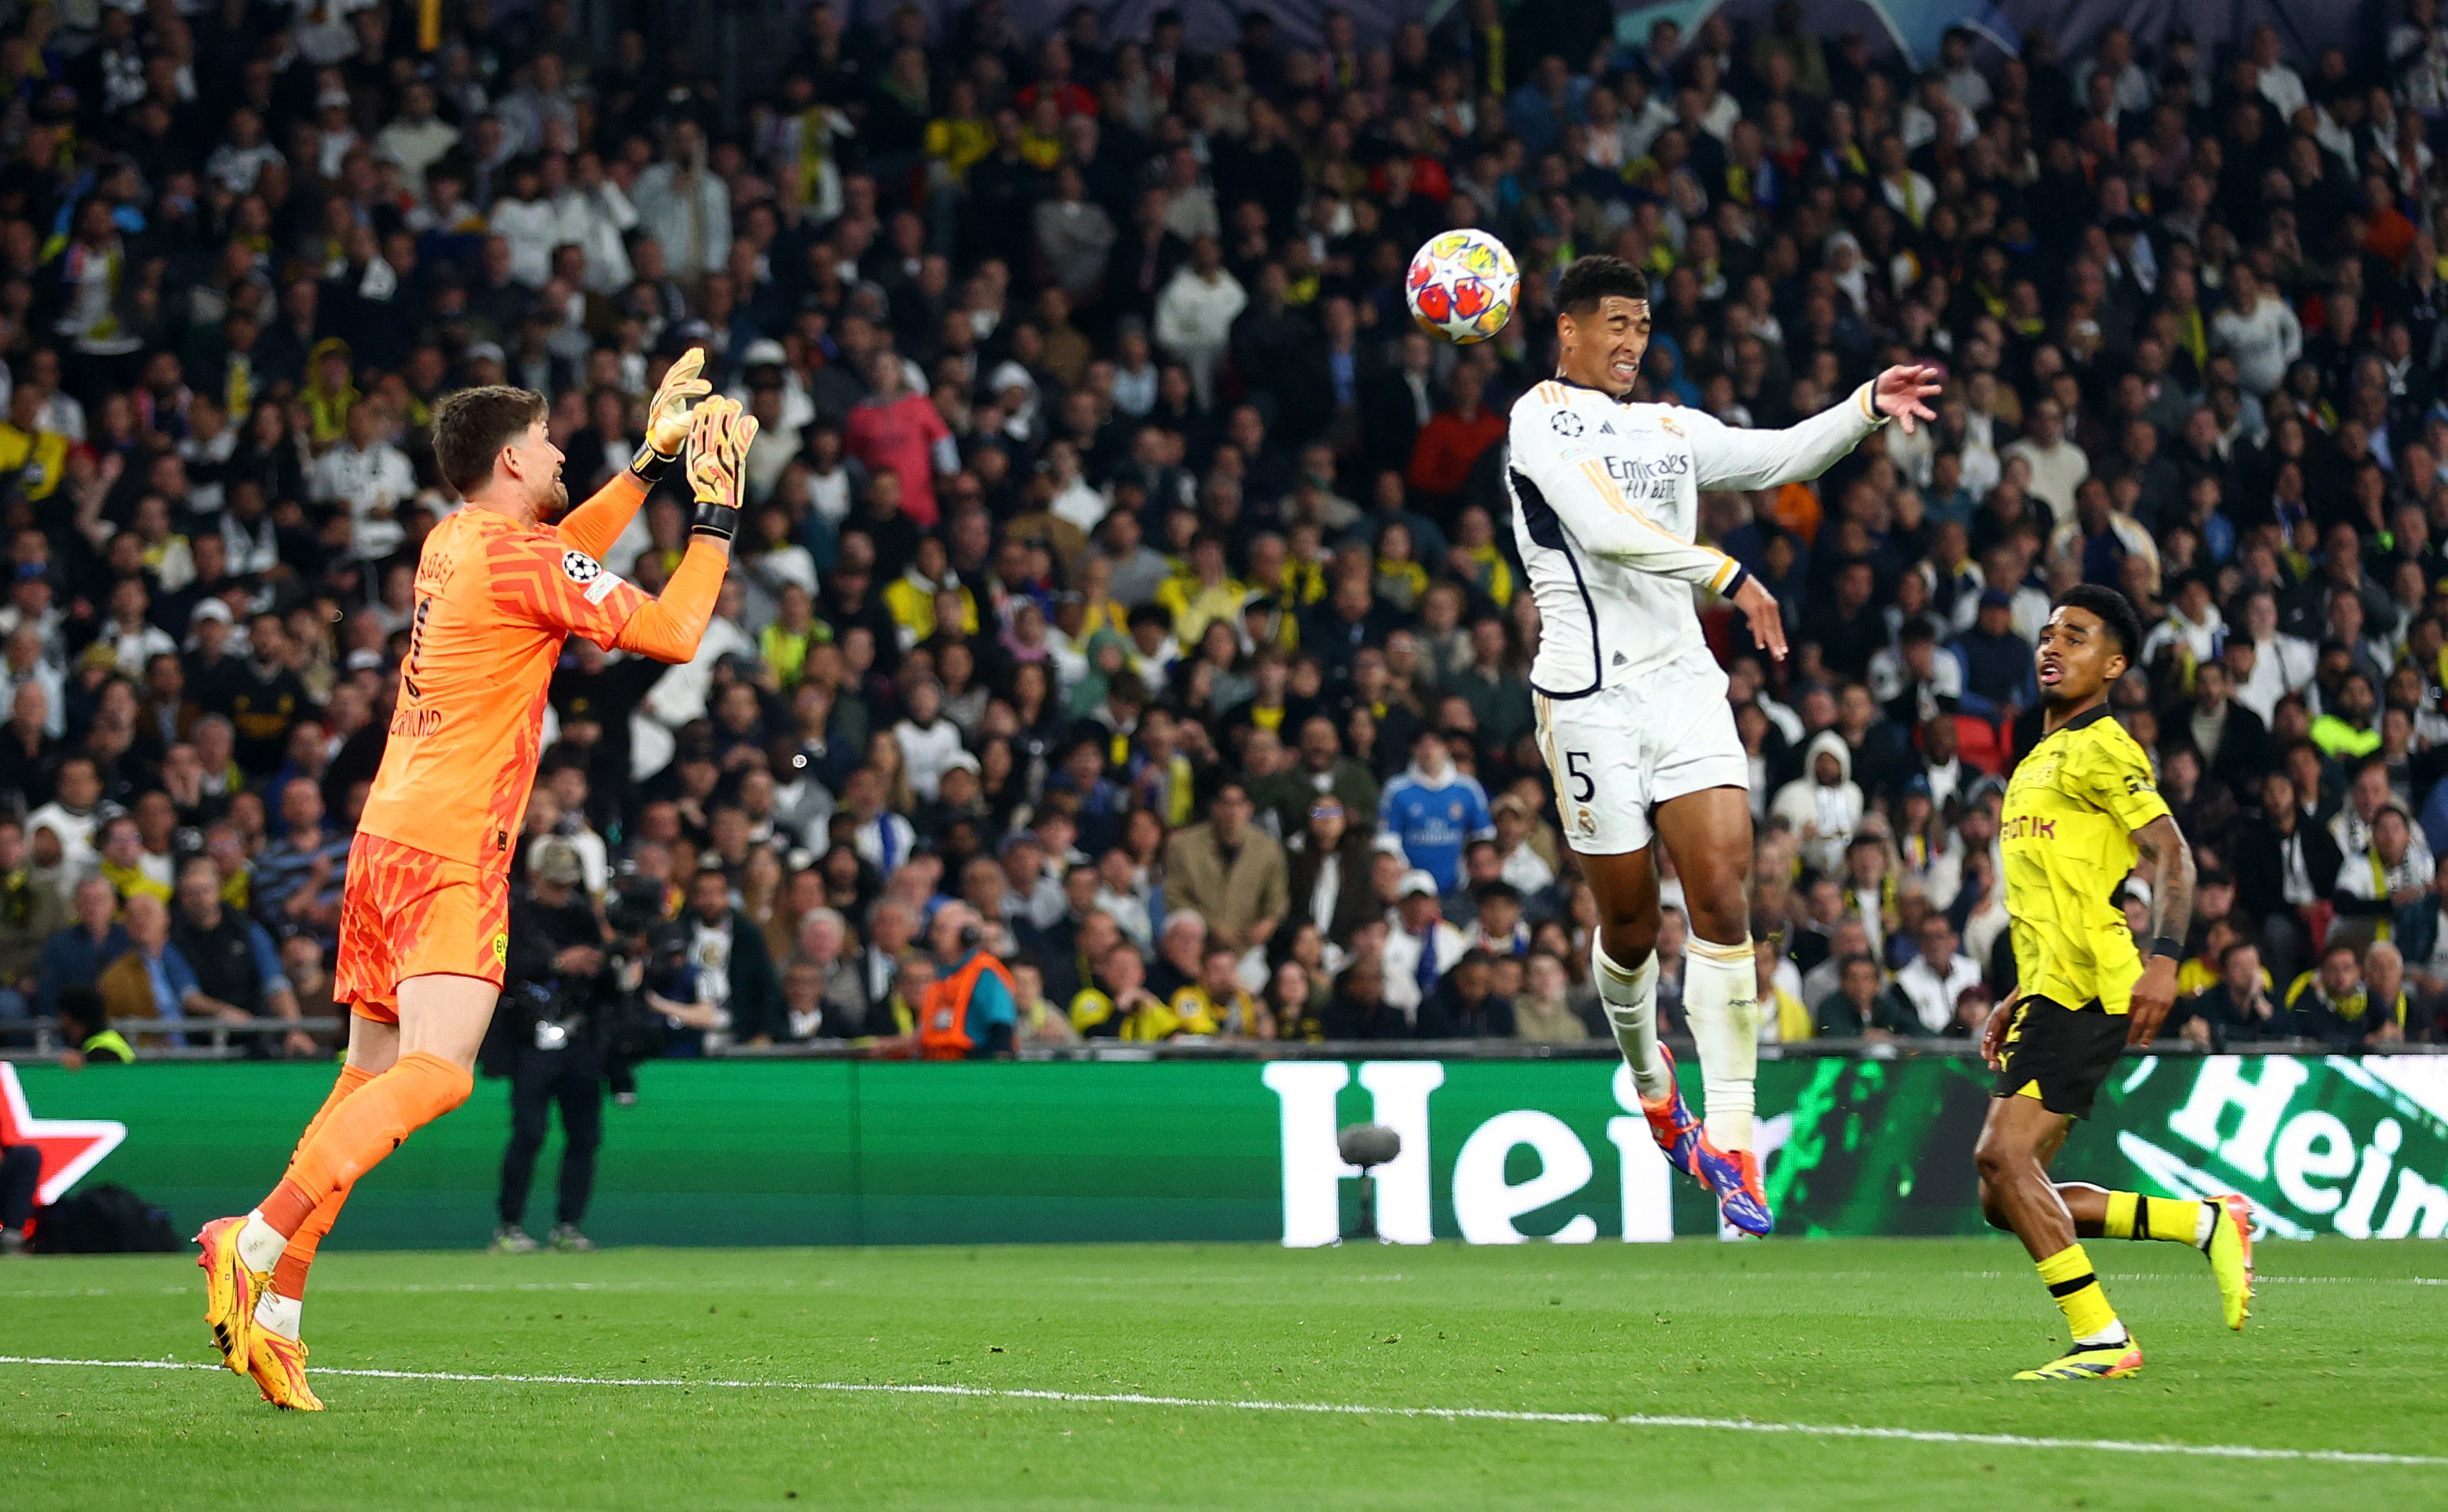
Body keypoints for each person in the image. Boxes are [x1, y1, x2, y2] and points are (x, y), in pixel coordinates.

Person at [192, 353, 735, 1412]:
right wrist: (712, 514)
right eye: (547, 440)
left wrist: (647, 462)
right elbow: (673, 632)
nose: (561, 451)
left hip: (385, 836)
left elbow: (561, 555)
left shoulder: (456, 542)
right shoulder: (514, 555)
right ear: (508, 458)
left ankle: (278, 1315)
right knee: (440, 1074)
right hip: (451, 848)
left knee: (367, 1085)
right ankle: (249, 1235)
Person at [1506, 253, 1940, 1236]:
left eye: (1641, 324)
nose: (1630, 342)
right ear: (1566, 330)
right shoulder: (1536, 418)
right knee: (1625, 928)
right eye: (1612, 324)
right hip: (1586, 700)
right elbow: (1600, 527)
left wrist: (1865, 403)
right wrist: (1724, 570)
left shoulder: (1667, 427)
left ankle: (1733, 1141)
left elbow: (1780, 454)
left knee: (1722, 901)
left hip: (1684, 694)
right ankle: (1655, 1088)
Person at [1971, 584, 2248, 1382]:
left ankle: (2101, 1339)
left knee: (2003, 1158)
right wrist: (2019, 990)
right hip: (2050, 987)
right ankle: (2201, 1222)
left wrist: (2164, 958)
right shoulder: (2035, 760)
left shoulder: (2102, 746)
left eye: (2078, 637)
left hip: (2090, 988)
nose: (2052, 647)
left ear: (2115, 665)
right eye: (2048, 633)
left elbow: (2171, 855)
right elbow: (2061, 893)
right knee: (2006, 1192)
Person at [487, 838, 610, 1255]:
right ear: (535, 877)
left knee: (584, 1136)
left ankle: (569, 1224)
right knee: (529, 1133)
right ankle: (510, 1224)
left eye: (568, 884)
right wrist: (559, 964)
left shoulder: (581, 914)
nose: (563, 892)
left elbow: (602, 966)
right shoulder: (516, 913)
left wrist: (600, 961)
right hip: (529, 1038)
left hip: (578, 1036)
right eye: (556, 884)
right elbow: (502, 967)